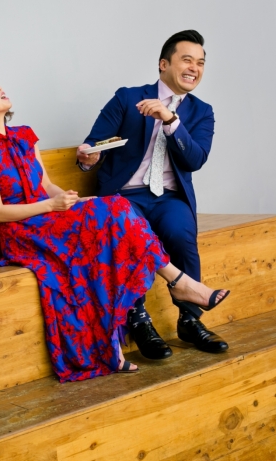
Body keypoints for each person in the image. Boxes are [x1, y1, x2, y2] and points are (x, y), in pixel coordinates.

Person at [0, 71, 230, 383]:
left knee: (116, 208)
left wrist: (74, 200)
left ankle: (131, 329)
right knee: (115, 215)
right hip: (24, 234)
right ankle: (181, 284)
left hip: (51, 219)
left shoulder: (25, 135)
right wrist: (51, 206)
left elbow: (46, 184)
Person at [77, 30, 229, 360]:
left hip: (169, 197)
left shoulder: (202, 112)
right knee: (134, 233)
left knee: (181, 233)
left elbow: (196, 160)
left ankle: (190, 320)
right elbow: (95, 144)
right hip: (125, 197)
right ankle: (140, 320)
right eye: (187, 59)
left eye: (201, 63)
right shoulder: (127, 97)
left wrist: (171, 119)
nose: (195, 68)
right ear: (164, 64)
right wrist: (89, 158)